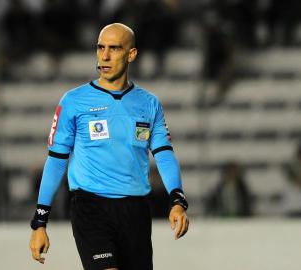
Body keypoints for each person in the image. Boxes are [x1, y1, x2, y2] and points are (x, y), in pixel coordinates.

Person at [29, 23, 189, 270]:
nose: (104, 56)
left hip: (136, 210)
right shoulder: (73, 101)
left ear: (131, 54)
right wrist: (40, 222)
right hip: (91, 207)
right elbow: (56, 159)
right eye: (100, 48)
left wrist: (177, 199)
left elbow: (165, 154)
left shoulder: (149, 104)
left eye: (114, 48)